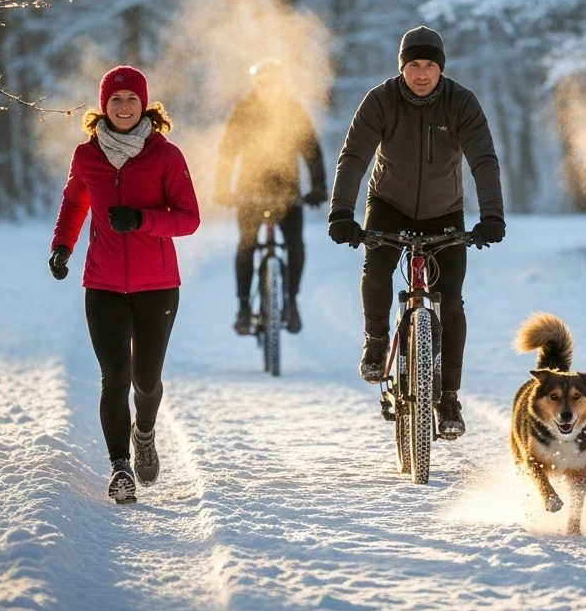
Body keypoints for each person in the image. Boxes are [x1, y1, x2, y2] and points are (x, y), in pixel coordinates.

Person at [328, 26, 505, 440]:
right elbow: (353, 157)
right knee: (377, 269)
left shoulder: (461, 103)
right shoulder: (380, 100)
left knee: (452, 302)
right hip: (389, 204)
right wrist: (341, 213)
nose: (421, 74)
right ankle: (376, 340)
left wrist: (492, 216)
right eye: (413, 65)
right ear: (402, 67)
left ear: (440, 68)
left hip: (445, 209)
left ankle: (448, 399)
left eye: (429, 65)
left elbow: (483, 160)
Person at [49, 65, 200, 504]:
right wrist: (62, 245)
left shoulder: (166, 156)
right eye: (115, 100)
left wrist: (141, 220)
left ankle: (145, 432)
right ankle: (119, 469)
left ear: (144, 103)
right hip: (103, 284)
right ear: (103, 107)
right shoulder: (86, 156)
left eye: (131, 98)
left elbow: (189, 219)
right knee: (114, 376)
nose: (124, 106)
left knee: (146, 382)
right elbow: (75, 201)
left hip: (157, 286)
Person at [215, 59, 327, 335]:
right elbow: (228, 151)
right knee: (246, 245)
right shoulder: (243, 111)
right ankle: (243, 306)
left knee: (295, 244)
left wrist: (318, 187)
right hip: (250, 192)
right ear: (256, 86)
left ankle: (291, 301)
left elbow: (311, 151)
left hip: (287, 192)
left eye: (274, 84)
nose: (269, 89)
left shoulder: (293, 111)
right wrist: (222, 187)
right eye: (264, 84)